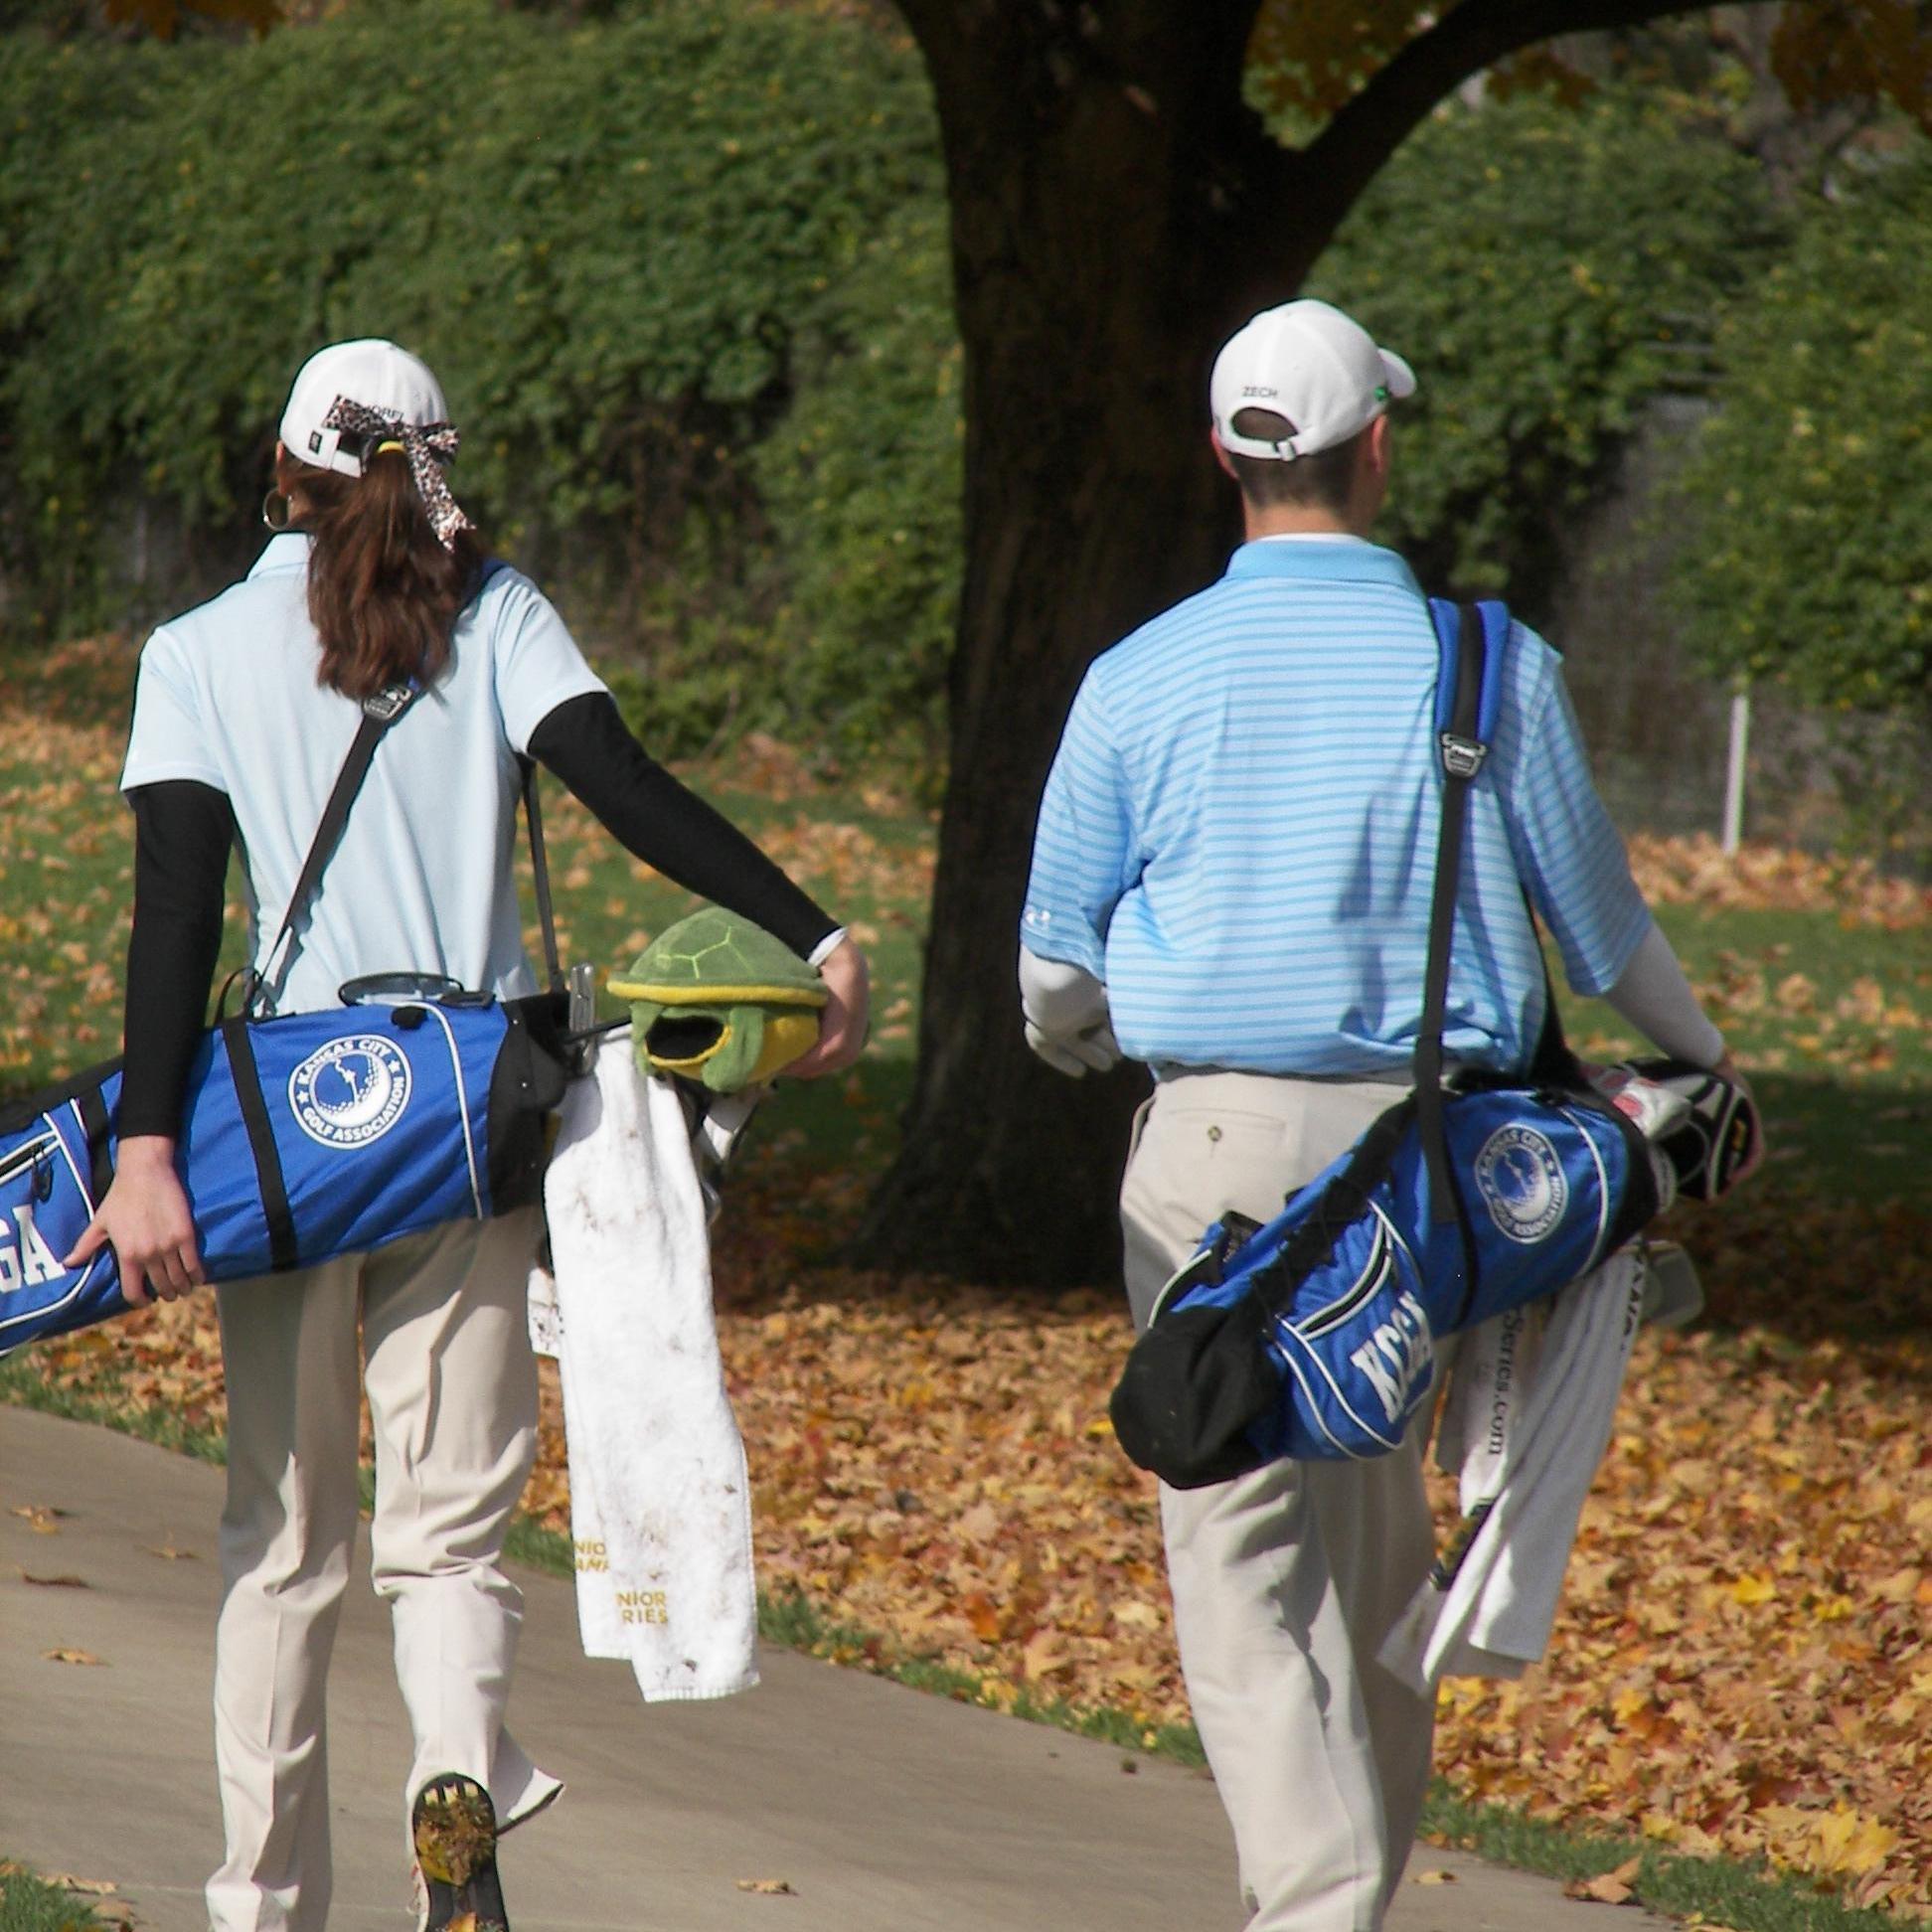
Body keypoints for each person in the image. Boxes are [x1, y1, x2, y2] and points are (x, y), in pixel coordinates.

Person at [65, 338, 871, 1932]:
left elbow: (174, 917)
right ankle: (455, 1784)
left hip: (295, 1130)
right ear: (438, 463)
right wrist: (813, 934)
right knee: (446, 1543)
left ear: (280, 471)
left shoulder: (198, 646)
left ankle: (262, 1901)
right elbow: (626, 787)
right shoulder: (494, 617)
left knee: (282, 1541)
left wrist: (146, 1151)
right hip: (469, 1112)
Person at [1017, 298, 1754, 1932]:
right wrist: (1710, 1065)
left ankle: (1316, 1905)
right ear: (1378, 446)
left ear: (1222, 454)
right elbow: (1608, 934)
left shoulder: (1136, 677)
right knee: (1371, 1567)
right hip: (1421, 1181)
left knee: (1231, 1553)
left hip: (1201, 1161)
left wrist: (1083, 1035)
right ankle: (1341, 1896)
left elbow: (1055, 974)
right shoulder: (1489, 664)